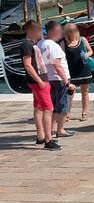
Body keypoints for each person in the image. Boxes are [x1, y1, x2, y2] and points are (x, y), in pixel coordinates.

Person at [19, 20, 56, 149]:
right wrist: (40, 81)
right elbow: (27, 65)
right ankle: (48, 140)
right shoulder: (26, 45)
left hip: (39, 79)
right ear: (31, 30)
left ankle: (40, 136)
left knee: (39, 108)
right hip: (38, 81)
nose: (41, 33)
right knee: (48, 108)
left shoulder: (32, 44)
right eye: (39, 30)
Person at [37, 19, 73, 139]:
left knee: (51, 105)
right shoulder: (54, 46)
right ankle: (60, 129)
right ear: (52, 31)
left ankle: (51, 129)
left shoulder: (39, 44)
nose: (61, 34)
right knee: (62, 105)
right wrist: (67, 82)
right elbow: (57, 65)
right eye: (59, 31)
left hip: (47, 78)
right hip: (59, 79)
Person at [63, 21, 94, 121]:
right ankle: (67, 114)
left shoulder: (82, 39)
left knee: (85, 91)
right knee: (70, 92)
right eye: (70, 31)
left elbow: (90, 51)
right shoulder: (64, 43)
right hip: (71, 71)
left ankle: (84, 113)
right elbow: (61, 57)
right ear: (67, 32)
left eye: (74, 30)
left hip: (83, 69)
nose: (73, 33)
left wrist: (87, 55)